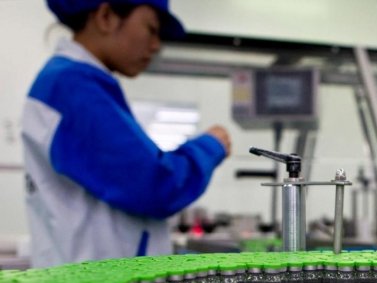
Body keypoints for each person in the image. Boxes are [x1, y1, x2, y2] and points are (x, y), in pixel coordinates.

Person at [22, 0, 231, 268]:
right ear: (106, 16)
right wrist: (210, 146)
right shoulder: (72, 87)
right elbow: (155, 185)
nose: (156, 45)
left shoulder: (78, 85)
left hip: (92, 281)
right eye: (150, 29)